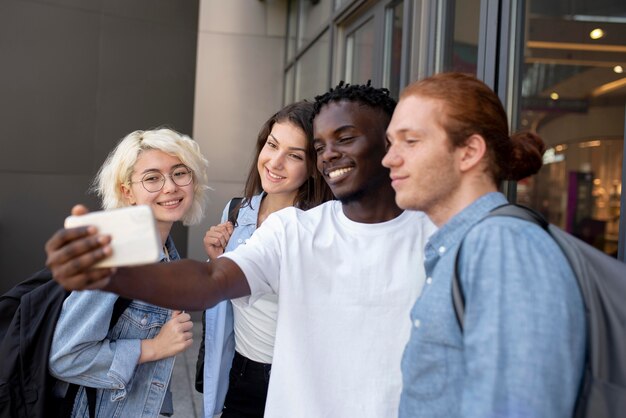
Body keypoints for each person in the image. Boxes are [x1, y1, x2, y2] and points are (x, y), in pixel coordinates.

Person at [45, 82, 437, 418]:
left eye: (180, 173)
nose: (329, 153)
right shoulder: (285, 227)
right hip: (250, 382)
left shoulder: (438, 235)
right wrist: (115, 272)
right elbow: (214, 280)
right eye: (320, 145)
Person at [382, 72, 586, 417]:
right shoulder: (467, 245)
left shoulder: (503, 247)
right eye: (391, 142)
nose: (390, 159)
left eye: (411, 141)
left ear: (469, 152)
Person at [48, 128, 210, 417]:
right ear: (127, 191)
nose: (170, 187)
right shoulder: (114, 255)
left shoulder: (167, 256)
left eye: (180, 173)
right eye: (152, 178)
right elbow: (65, 357)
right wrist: (155, 347)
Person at [201, 101, 333, 417]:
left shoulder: (321, 228)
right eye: (272, 145)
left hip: (297, 379)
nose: (275, 162)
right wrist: (215, 261)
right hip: (242, 371)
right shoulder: (237, 211)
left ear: (314, 166)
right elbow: (224, 295)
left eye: (294, 155)